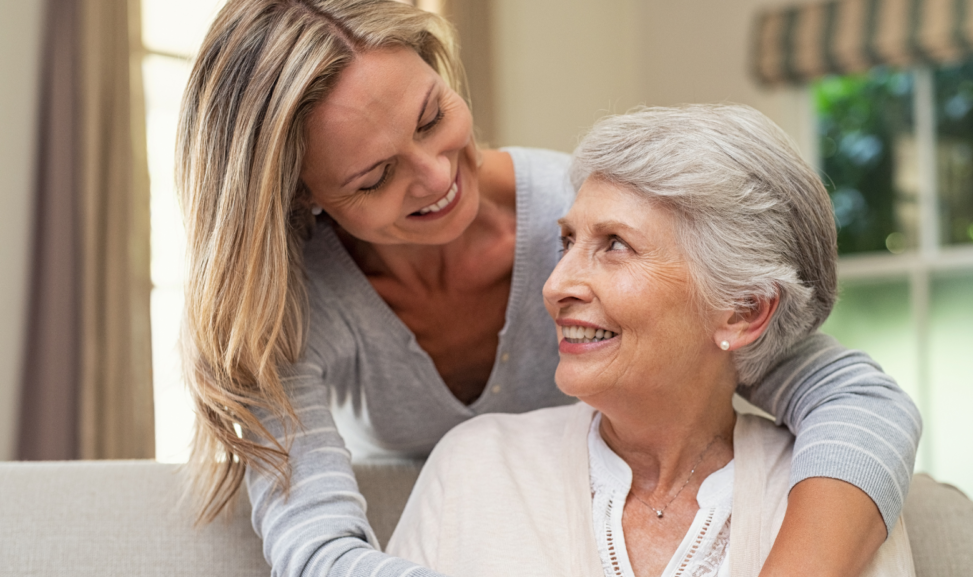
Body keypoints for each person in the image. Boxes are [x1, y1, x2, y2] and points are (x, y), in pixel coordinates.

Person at [176, 1, 920, 576]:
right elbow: (319, 551)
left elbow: (854, 397)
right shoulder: (286, 307)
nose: (437, 176)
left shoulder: (587, 214)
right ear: (304, 196)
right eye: (374, 176)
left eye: (433, 117)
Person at [386, 104, 916, 577]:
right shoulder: (476, 466)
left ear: (744, 310)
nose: (554, 286)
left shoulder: (830, 499)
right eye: (567, 241)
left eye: (615, 245)